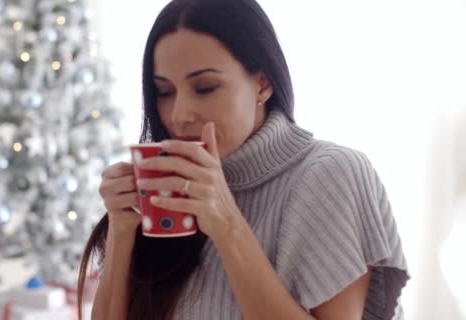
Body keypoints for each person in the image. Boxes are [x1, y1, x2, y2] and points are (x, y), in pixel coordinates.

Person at [77, 0, 409, 319]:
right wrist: (122, 230)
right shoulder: (169, 187)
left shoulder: (331, 174)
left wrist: (226, 223)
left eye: (205, 87)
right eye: (164, 91)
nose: (178, 115)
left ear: (262, 84)